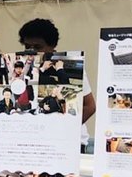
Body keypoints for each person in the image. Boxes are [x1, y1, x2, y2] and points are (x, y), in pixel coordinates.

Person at [19, 18, 95, 147]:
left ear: (52, 46)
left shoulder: (67, 66)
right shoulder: (28, 68)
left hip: (69, 142)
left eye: (38, 47)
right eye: (27, 47)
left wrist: (63, 129)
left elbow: (89, 106)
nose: (31, 51)